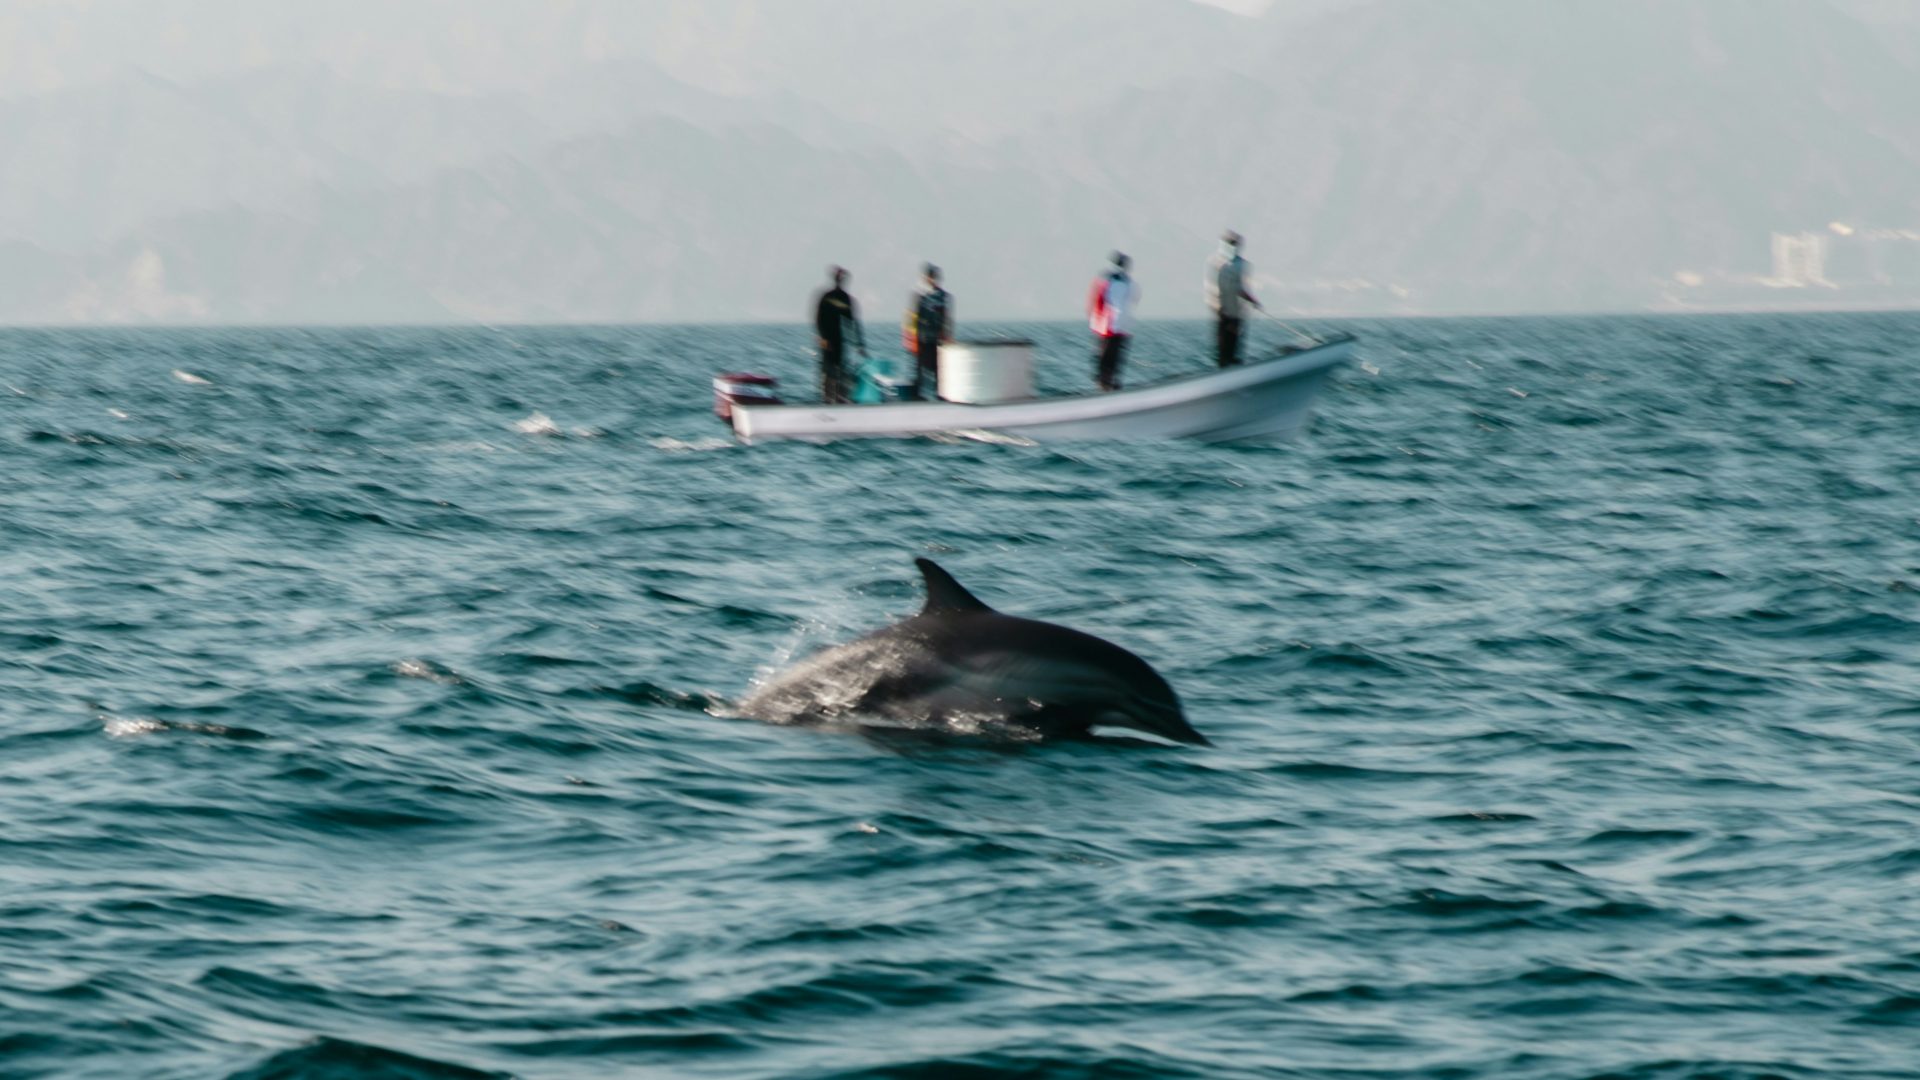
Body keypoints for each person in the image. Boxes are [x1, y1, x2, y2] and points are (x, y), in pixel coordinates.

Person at [812, 266, 867, 404]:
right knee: (827, 369)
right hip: (827, 340)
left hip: (839, 340)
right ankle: (827, 399)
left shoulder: (846, 299)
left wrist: (860, 344)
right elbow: (818, 319)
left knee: (839, 369)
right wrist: (822, 338)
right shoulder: (826, 297)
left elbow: (853, 323)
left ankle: (838, 398)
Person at [1206, 230, 1261, 368]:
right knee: (1224, 345)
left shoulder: (1241, 264)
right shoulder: (1215, 263)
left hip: (1236, 311)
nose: (1233, 246)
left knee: (1235, 343)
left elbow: (1240, 287)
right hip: (1222, 311)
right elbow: (1213, 287)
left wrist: (1252, 301)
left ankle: (1233, 364)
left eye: (1235, 243)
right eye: (1231, 243)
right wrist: (1219, 308)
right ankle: (1224, 367)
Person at [903, 264, 953, 401]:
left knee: (939, 370)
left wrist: (948, 336)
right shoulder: (919, 295)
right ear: (926, 278)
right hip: (922, 339)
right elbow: (912, 318)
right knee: (920, 370)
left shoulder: (943, 296)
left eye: (935, 277)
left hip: (937, 340)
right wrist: (911, 340)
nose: (933, 280)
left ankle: (941, 396)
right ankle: (917, 397)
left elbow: (946, 318)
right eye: (931, 277)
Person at [1087, 252, 1136, 392]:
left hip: (1107, 326)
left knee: (1105, 358)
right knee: (1115, 358)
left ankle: (1104, 384)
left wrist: (1094, 320)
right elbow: (1133, 299)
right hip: (1121, 326)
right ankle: (1112, 383)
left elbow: (1096, 300)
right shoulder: (1129, 282)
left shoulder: (1105, 280)